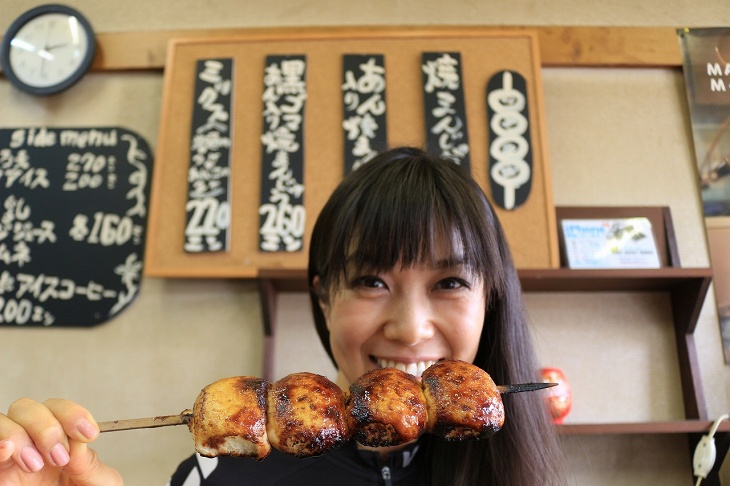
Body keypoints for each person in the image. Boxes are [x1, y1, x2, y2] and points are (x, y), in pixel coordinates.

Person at [0, 147, 564, 485]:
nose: (411, 327)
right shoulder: (223, 474)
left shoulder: (525, 474)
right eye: (371, 280)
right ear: (323, 296)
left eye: (449, 282)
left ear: (491, 297)